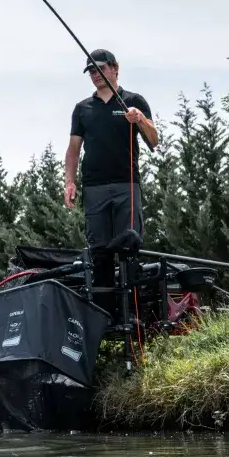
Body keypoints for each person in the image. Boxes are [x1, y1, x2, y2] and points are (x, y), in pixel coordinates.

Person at [63, 49, 158, 307]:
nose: (95, 74)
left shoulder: (134, 101)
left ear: (116, 68)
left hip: (126, 185)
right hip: (94, 189)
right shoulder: (82, 109)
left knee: (129, 248)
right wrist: (69, 182)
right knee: (100, 254)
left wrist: (140, 119)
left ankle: (134, 313)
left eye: (100, 68)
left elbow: (154, 140)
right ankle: (105, 315)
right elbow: (73, 150)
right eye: (91, 71)